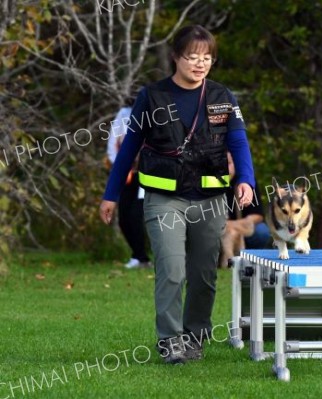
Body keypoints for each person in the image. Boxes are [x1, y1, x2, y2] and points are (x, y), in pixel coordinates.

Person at [99, 25, 255, 364]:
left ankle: (195, 337)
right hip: (163, 197)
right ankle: (170, 341)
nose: (200, 64)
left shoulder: (223, 97)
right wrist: (111, 194)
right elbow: (129, 150)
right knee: (171, 269)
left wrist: (246, 180)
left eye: (207, 58)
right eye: (193, 57)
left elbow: (239, 142)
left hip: (211, 199)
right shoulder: (151, 96)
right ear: (176, 57)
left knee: (204, 273)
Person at [106, 104, 151, 269]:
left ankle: (143, 258)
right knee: (124, 217)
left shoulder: (155, 114)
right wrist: (120, 167)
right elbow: (113, 144)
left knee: (135, 215)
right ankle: (138, 255)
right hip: (127, 175)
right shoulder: (124, 115)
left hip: (146, 175)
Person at [219, 152, 270, 268]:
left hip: (241, 228)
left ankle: (251, 261)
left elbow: (258, 214)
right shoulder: (210, 182)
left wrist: (236, 224)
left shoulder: (245, 182)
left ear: (236, 165)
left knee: (262, 231)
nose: (225, 169)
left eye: (229, 164)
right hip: (215, 230)